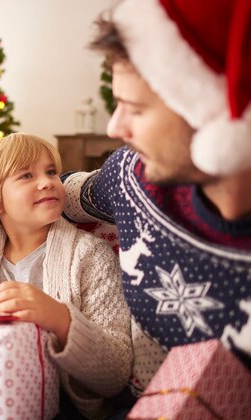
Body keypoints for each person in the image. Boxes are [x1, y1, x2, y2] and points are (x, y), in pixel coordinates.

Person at [61, 0, 251, 403]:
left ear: (213, 119)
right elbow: (65, 194)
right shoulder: (133, 174)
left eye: (135, 109)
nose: (115, 127)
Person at [0, 133, 132, 419]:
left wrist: (61, 320)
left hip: (67, 409)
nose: (48, 181)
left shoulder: (90, 256)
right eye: (26, 175)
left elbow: (116, 374)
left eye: (52, 172)